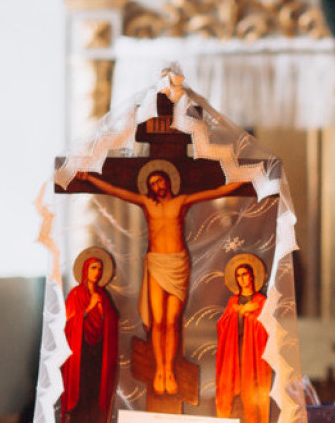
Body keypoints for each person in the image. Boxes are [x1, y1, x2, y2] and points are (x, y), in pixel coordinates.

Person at [75, 163, 245, 396]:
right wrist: (90, 179)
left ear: (168, 181)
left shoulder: (181, 201)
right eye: (152, 183)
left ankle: (170, 370)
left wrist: (243, 181)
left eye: (160, 181)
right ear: (150, 187)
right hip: (156, 263)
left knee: (172, 320)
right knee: (158, 321)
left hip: (177, 264)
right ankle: (161, 370)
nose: (157, 185)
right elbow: (116, 191)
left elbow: (215, 192)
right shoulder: (147, 204)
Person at [60, 249, 120, 423]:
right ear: (86, 270)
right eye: (94, 268)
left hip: (97, 355)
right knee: (80, 399)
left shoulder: (103, 296)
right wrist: (87, 311)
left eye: (100, 269)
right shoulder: (76, 294)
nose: (97, 272)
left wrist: (104, 313)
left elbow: (112, 321)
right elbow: (68, 324)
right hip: (80, 355)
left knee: (94, 400)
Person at [215, 255, 273, 423]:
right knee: (234, 401)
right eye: (238, 276)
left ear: (252, 277)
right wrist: (240, 313)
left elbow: (266, 329)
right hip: (234, 356)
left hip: (253, 359)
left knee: (253, 402)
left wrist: (250, 316)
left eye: (245, 274)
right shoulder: (233, 302)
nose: (241, 279)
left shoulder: (261, 301)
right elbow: (222, 326)